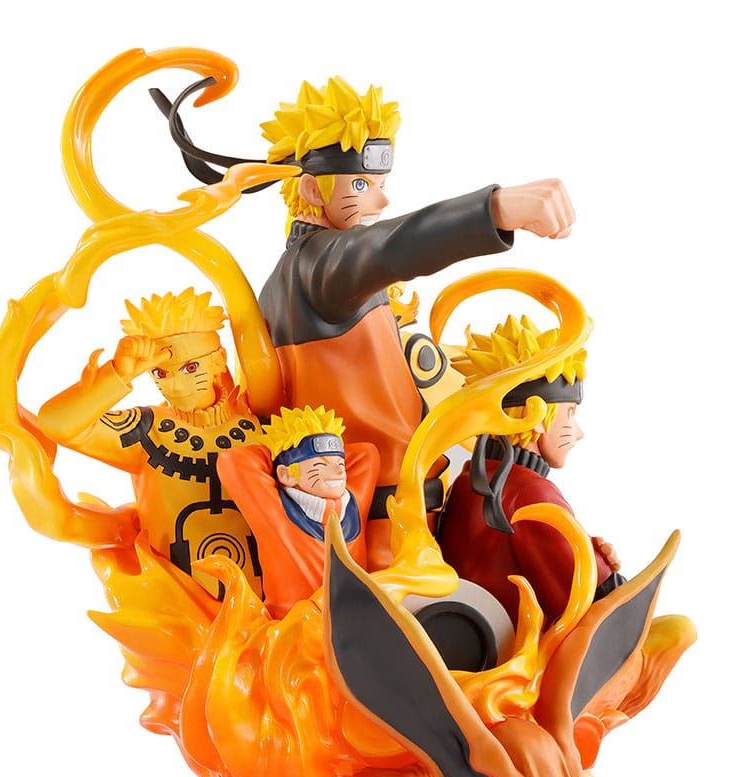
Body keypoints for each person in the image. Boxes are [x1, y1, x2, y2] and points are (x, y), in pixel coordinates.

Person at [253, 77, 575, 568]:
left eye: (381, 185)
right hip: (379, 507)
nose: (380, 202)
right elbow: (391, 246)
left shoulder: (311, 270)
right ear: (312, 189)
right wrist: (494, 210)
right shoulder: (322, 267)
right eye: (361, 185)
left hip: (384, 492)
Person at [36, 288, 262, 596]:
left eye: (191, 367)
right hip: (179, 604)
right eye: (160, 372)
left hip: (266, 604)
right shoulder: (146, 429)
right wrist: (118, 374)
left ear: (219, 360)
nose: (175, 384)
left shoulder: (259, 423)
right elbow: (57, 423)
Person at [437, 315, 623, 626]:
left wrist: (587, 547)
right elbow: (580, 595)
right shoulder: (529, 492)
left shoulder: (468, 479)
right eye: (569, 413)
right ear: (533, 414)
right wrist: (604, 569)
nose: (578, 432)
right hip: (521, 641)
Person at [217, 406, 379, 618]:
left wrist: (324, 445)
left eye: (341, 463)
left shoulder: (354, 502)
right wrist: (280, 451)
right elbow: (234, 460)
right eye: (320, 465)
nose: (339, 470)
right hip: (291, 624)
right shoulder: (273, 509)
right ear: (285, 474)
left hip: (354, 618)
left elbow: (368, 453)